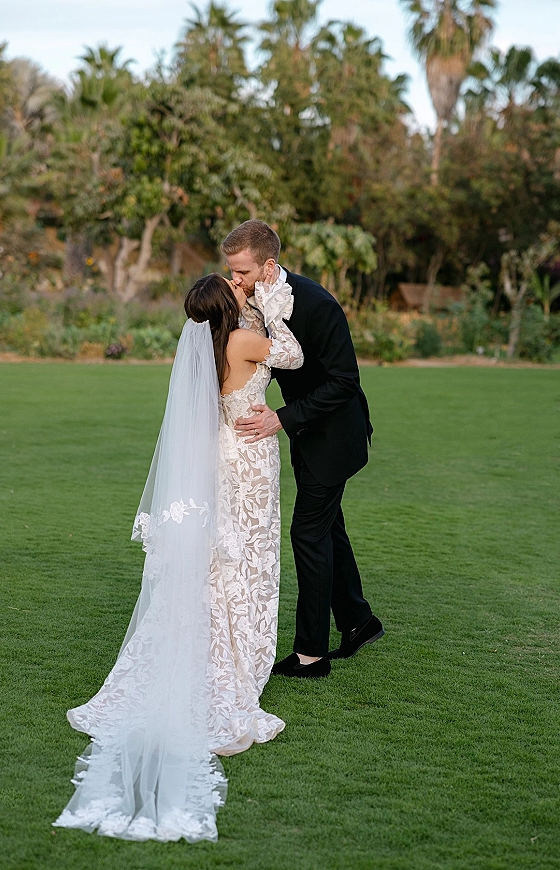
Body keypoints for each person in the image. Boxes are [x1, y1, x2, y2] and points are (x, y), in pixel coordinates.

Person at [53, 272, 303, 843]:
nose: (241, 287)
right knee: (243, 562)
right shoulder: (243, 339)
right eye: (233, 286)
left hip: (221, 454)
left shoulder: (211, 341)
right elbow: (291, 354)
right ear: (227, 303)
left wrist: (243, 309)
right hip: (245, 462)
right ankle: (232, 664)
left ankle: (215, 647)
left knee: (219, 565)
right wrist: (266, 306)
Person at [222, 220, 384, 679]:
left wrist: (279, 418)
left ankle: (311, 655)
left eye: (242, 273)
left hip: (334, 436)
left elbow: (344, 382)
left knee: (307, 535)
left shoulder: (315, 303)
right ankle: (359, 621)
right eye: (230, 272)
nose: (236, 281)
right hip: (306, 434)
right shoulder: (254, 302)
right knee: (328, 528)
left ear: (268, 265)